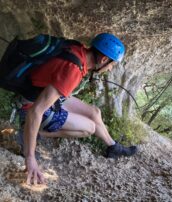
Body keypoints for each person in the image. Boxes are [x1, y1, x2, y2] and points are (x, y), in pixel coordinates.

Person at [17, 33, 137, 185]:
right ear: (104, 60)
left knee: (95, 112)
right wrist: (30, 157)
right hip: (30, 104)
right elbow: (36, 111)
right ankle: (36, 133)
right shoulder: (73, 70)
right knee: (90, 128)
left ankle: (113, 147)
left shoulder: (76, 50)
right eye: (112, 64)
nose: (110, 68)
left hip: (40, 90)